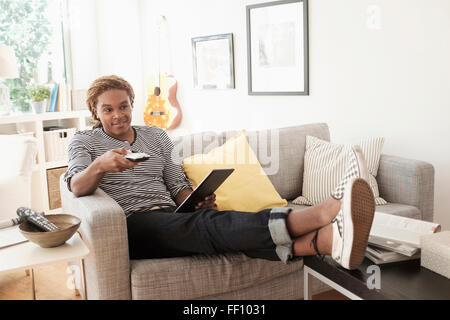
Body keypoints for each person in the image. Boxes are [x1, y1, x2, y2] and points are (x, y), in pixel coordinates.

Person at [64, 75, 376, 270]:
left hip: (173, 214)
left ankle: (328, 242)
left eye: (123, 105)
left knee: (211, 224)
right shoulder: (85, 141)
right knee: (209, 226)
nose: (118, 114)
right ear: (95, 111)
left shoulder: (157, 137)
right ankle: (322, 215)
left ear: (132, 103)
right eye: (108, 109)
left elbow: (176, 183)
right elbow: (76, 186)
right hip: (133, 224)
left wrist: (193, 200)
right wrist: (101, 165)